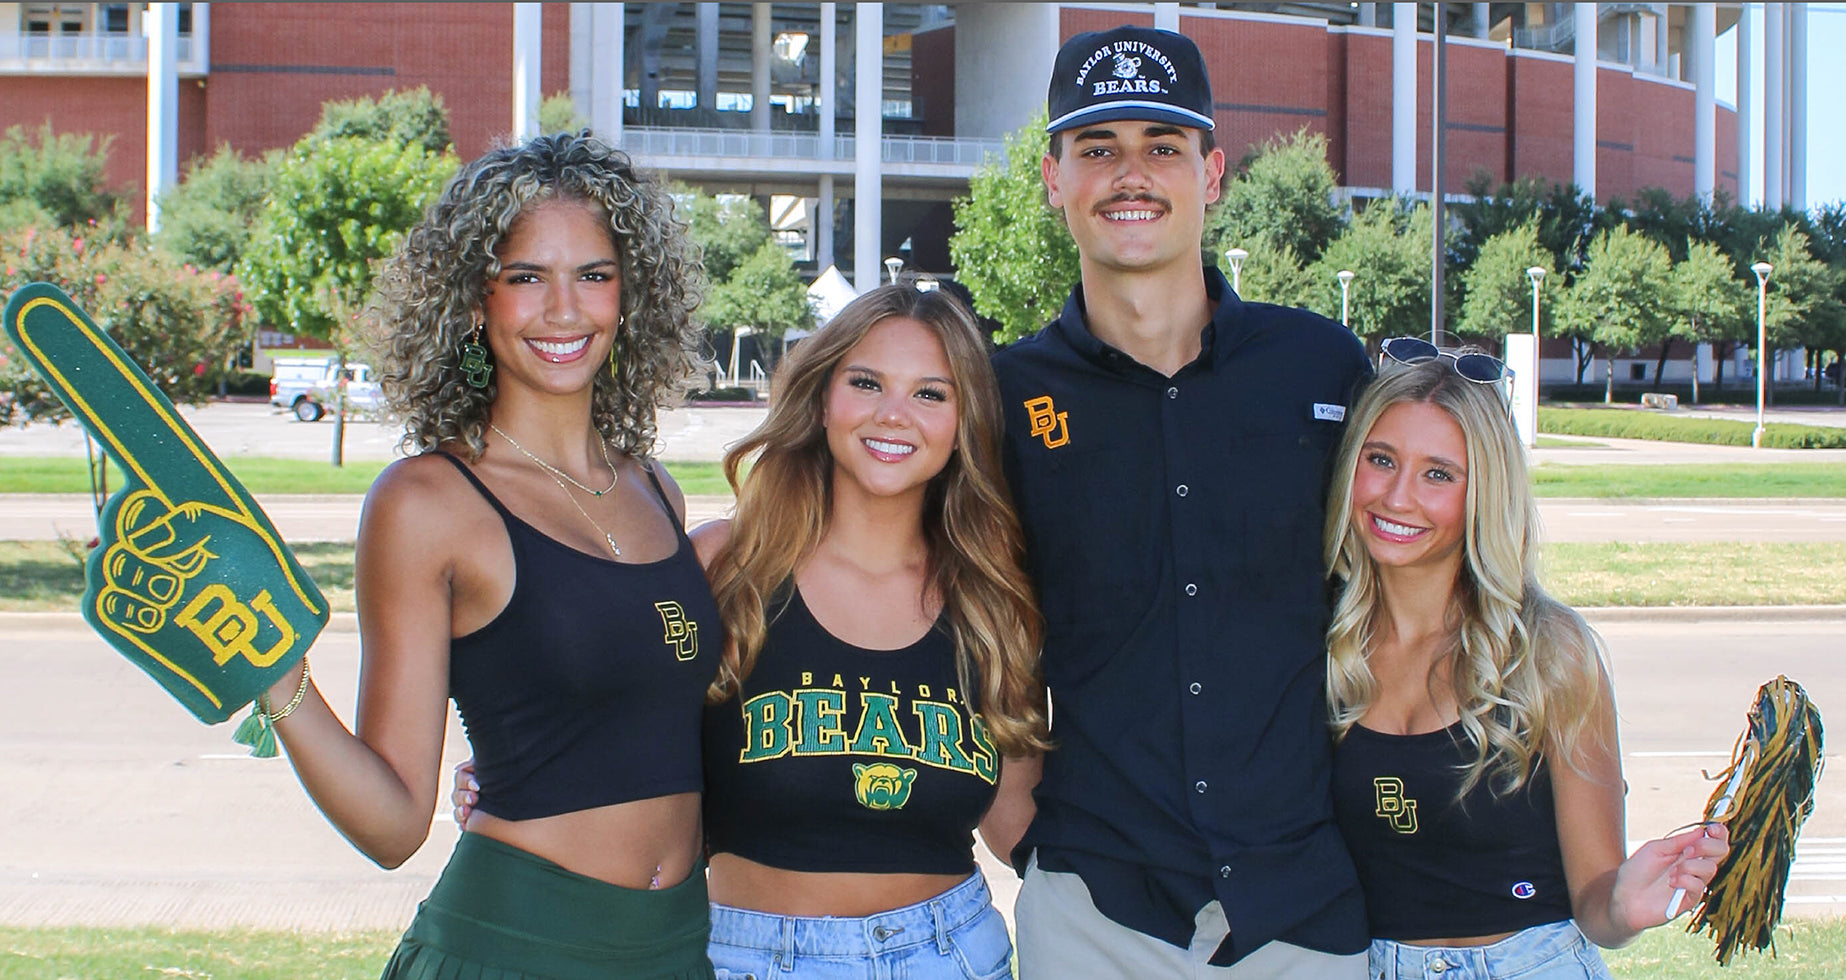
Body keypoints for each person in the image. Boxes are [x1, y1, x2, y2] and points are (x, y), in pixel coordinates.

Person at [453, 283, 1052, 979]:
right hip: (745, 954)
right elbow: (621, 730)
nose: (895, 415)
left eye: (931, 394)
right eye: (866, 383)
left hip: (952, 952)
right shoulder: (723, 568)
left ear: (963, 421)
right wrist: (531, 774)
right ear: (823, 398)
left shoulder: (992, 601)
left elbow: (1018, 826)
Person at [257, 132, 719, 978]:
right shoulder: (427, 502)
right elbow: (395, 826)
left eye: (592, 275)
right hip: (515, 945)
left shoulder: (654, 488)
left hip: (677, 951)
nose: (564, 311)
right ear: (477, 301)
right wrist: (275, 676)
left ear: (630, 293)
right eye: (526, 278)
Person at [988, 25, 1373, 978]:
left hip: (1306, 908)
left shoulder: (1322, 366)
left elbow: (1412, 592)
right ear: (1053, 178)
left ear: (1213, 173)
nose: (1132, 174)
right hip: (1098, 912)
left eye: (1162, 147)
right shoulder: (1000, 395)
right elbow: (956, 617)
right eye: (1098, 149)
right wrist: (1022, 837)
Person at [1322, 343, 1730, 979]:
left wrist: (1625, 901)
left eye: (1439, 474)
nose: (1398, 497)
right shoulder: (1319, 643)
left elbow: (1596, 902)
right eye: (1381, 460)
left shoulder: (1550, 653)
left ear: (1485, 490)